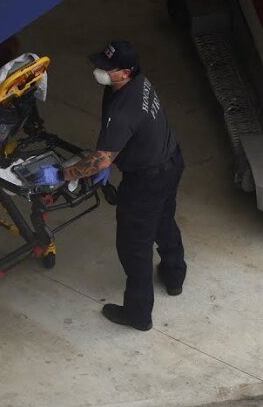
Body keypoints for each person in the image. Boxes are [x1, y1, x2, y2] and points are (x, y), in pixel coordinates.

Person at [32, 40, 186, 332]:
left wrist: (63, 175)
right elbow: (125, 137)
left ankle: (138, 314)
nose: (99, 70)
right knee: (164, 220)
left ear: (125, 72)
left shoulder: (124, 108)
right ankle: (174, 274)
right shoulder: (139, 84)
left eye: (107, 68)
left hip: (146, 180)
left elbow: (101, 158)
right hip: (170, 161)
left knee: (134, 246)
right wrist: (111, 161)